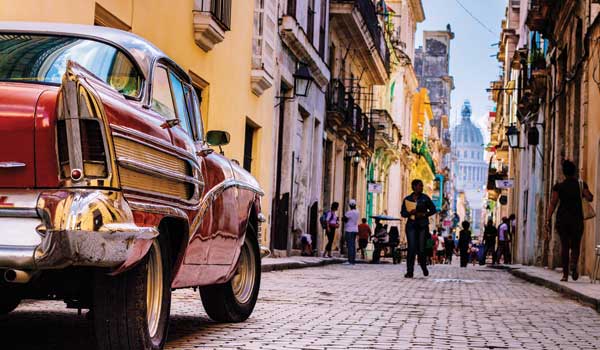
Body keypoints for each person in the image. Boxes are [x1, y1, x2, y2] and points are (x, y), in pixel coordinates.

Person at [546, 160, 594, 282]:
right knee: (576, 245)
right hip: (577, 219)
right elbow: (590, 197)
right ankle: (573, 263)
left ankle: (565, 275)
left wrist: (547, 219)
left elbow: (553, 203)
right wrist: (584, 193)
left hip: (562, 220)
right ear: (574, 171)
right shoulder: (581, 185)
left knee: (565, 246)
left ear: (564, 172)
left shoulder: (559, 187)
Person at [401, 179, 437, 278]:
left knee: (421, 249)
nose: (422, 188)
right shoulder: (407, 199)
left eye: (422, 186)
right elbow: (403, 213)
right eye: (420, 186)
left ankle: (423, 267)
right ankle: (410, 271)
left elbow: (433, 210)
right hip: (411, 226)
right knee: (411, 249)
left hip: (422, 226)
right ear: (414, 187)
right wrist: (410, 213)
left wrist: (424, 214)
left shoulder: (425, 198)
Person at [343, 199, 360, 265]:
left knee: (350, 245)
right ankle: (353, 260)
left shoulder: (349, 212)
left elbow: (344, 219)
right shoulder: (357, 212)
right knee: (353, 245)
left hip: (349, 230)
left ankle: (350, 260)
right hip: (355, 229)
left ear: (350, 205)